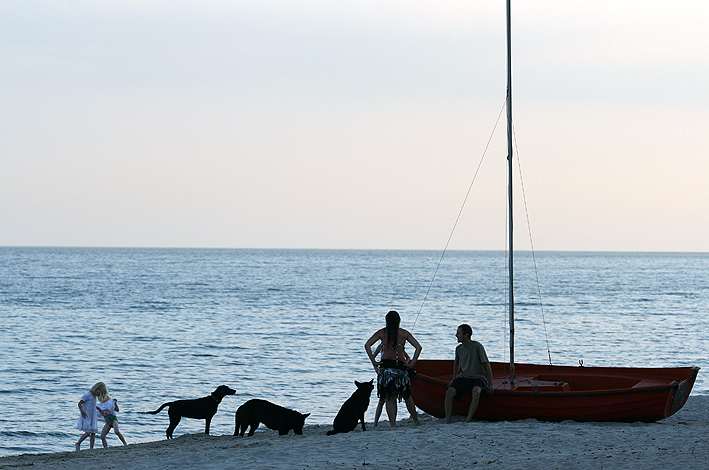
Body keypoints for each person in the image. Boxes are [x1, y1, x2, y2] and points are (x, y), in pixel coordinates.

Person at [365, 310, 421, 427]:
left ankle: (393, 424)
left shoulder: (382, 332)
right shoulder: (404, 333)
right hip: (400, 367)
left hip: (386, 368)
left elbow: (367, 345)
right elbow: (418, 347)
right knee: (407, 396)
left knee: (390, 397)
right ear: (398, 321)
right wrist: (412, 362)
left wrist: (373, 361)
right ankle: (416, 421)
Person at [445, 324, 494, 423]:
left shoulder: (477, 346)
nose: (456, 335)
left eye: (458, 333)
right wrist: (454, 379)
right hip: (464, 377)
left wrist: (490, 383)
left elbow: (486, 365)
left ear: (466, 335)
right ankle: (448, 420)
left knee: (476, 391)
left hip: (478, 377)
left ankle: (468, 420)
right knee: (449, 392)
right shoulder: (458, 349)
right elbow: (456, 365)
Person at [371, 344, 411, 427]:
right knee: (381, 400)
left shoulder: (397, 346)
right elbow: (373, 358)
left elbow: (408, 358)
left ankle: (393, 421)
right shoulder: (381, 347)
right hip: (384, 375)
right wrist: (376, 368)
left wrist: (403, 365)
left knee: (392, 398)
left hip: (392, 375)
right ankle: (375, 423)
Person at [76, 382, 109, 450]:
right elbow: (79, 403)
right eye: (99, 392)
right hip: (86, 415)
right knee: (88, 432)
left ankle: (91, 448)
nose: (98, 395)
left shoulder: (94, 396)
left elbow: (92, 404)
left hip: (92, 415)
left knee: (93, 433)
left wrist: (99, 409)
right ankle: (78, 443)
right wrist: (82, 411)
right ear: (96, 389)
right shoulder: (87, 394)